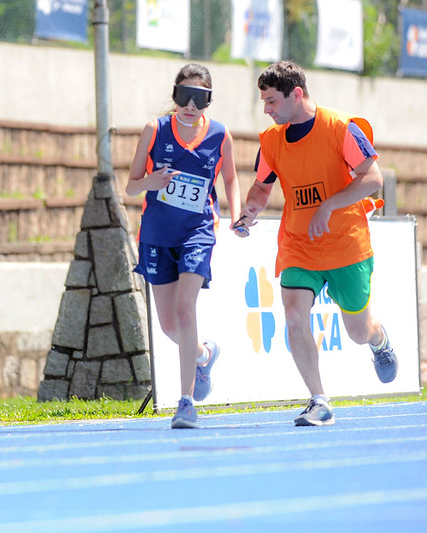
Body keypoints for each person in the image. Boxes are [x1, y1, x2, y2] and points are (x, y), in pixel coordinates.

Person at [233, 61, 398, 427]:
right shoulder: (272, 141)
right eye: (263, 101)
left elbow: (372, 178)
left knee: (357, 332)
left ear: (296, 94)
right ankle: (319, 400)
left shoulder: (341, 128)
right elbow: (262, 186)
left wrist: (329, 204)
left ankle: (378, 338)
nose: (266, 109)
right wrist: (251, 210)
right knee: (293, 316)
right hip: (299, 245)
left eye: (272, 101)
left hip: (345, 245)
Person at [126, 63, 242, 429]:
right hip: (158, 234)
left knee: (185, 309)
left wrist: (237, 214)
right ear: (174, 94)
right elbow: (130, 187)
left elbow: (231, 179)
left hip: (198, 230)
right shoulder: (154, 130)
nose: (191, 105)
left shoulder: (221, 136)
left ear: (209, 100)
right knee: (168, 325)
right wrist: (152, 180)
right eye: (184, 96)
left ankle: (186, 402)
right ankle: (204, 354)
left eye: (200, 98)